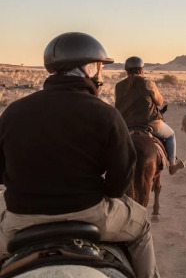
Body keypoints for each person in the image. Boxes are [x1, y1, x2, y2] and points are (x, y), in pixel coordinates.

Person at [0, 32, 160, 278]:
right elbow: (121, 177)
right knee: (142, 228)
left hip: (20, 218)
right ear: (89, 68)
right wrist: (102, 192)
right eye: (99, 68)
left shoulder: (13, 112)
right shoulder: (105, 114)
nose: (100, 75)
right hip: (89, 211)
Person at [115, 57, 185, 175]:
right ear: (141, 70)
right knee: (170, 135)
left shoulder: (119, 85)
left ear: (126, 70)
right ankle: (172, 164)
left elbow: (118, 104)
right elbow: (159, 102)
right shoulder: (148, 83)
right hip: (149, 123)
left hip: (126, 125)